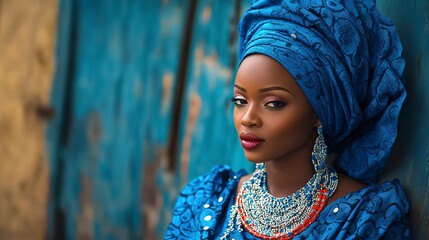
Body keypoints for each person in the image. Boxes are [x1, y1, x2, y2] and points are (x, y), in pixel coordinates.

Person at [165, 0, 411, 239]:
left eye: (274, 104)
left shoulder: (363, 220)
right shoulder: (205, 201)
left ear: (319, 111)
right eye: (240, 101)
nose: (248, 119)